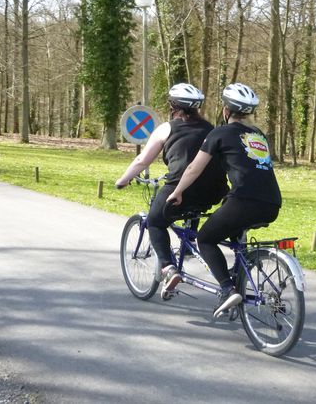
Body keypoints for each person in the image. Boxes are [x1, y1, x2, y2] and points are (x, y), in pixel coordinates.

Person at [167, 83, 282, 317]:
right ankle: (239, 275)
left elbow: (193, 169)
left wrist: (176, 191)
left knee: (206, 238)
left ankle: (227, 289)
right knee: (231, 224)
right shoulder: (258, 135)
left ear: (225, 110)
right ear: (248, 112)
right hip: (272, 203)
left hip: (243, 201)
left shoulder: (219, 133)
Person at [116, 83, 227, 300]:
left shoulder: (167, 128)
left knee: (156, 222)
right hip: (214, 190)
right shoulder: (212, 129)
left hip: (180, 188)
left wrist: (122, 180)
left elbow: (142, 160)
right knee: (193, 208)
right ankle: (191, 240)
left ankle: (168, 268)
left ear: (172, 105)